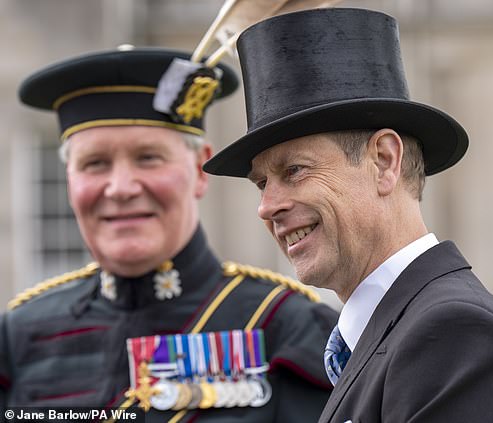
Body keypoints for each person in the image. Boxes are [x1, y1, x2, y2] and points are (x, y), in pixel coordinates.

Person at [203, 8, 493, 423]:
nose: (268, 206)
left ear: (384, 160)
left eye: (294, 171)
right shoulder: (394, 332)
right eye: (262, 183)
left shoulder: (452, 334)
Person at [0, 47, 337, 422]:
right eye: (94, 163)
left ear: (198, 170)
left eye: (148, 158)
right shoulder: (19, 335)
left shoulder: (284, 326)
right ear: (70, 181)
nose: (121, 188)